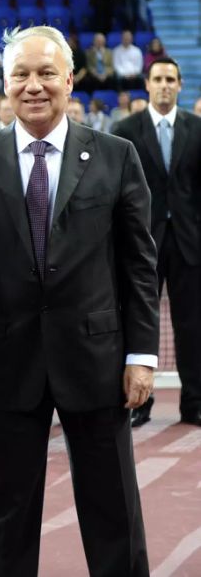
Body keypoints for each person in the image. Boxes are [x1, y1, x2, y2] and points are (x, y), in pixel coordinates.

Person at [0, 25, 157, 577]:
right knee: (4, 511)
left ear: (70, 79)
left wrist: (142, 356)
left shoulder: (117, 156)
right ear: (4, 84)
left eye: (46, 73)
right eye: (21, 75)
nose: (34, 86)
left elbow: (138, 265)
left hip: (99, 361)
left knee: (113, 509)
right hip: (9, 361)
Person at [112, 57, 201, 428]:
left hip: (189, 243)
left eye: (171, 79)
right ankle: (138, 403)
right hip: (140, 243)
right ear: (147, 84)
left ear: (180, 85)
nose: (164, 85)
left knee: (193, 326)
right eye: (158, 79)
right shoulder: (125, 129)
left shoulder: (198, 129)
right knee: (137, 321)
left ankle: (194, 404)